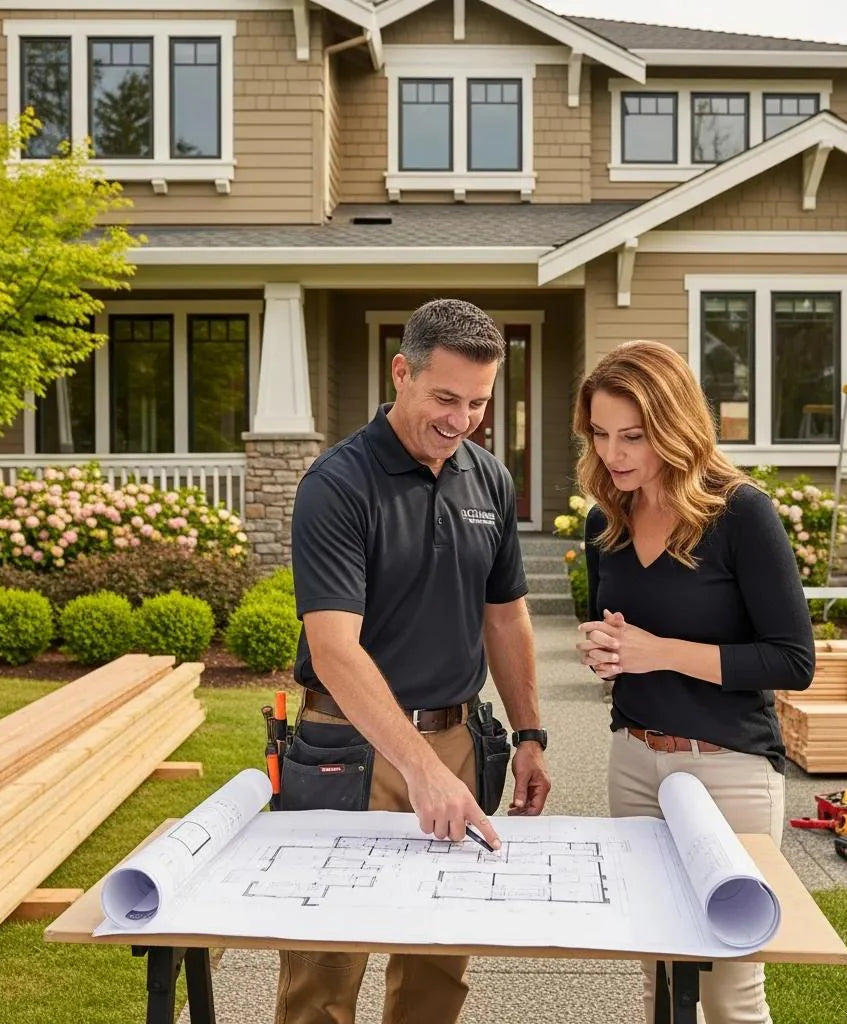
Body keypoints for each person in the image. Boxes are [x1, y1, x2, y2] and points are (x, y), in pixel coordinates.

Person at [279, 298, 551, 1024]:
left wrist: (529, 735)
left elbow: (505, 614)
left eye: (478, 403)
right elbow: (335, 650)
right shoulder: (338, 484)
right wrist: (419, 768)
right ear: (402, 372)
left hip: (456, 742)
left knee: (437, 962)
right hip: (348, 748)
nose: (460, 420)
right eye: (444, 398)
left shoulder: (489, 479)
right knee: (323, 972)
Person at [572, 340, 814, 1024]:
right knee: (658, 978)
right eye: (600, 433)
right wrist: (606, 651)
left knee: (730, 992)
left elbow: (792, 660)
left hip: (730, 770)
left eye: (634, 435)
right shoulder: (605, 522)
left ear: (674, 426)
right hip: (634, 763)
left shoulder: (741, 514)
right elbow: (625, 642)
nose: (614, 453)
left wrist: (659, 651)